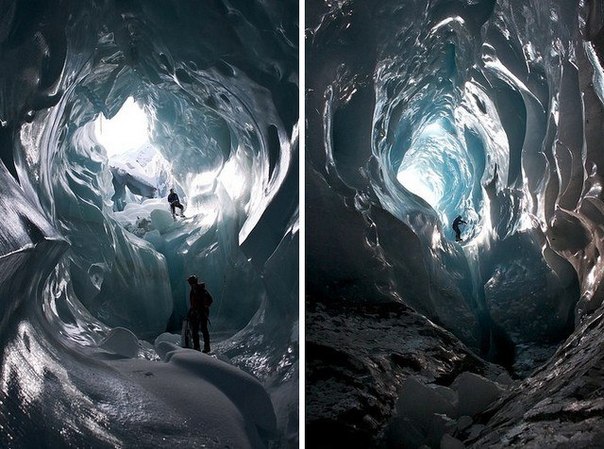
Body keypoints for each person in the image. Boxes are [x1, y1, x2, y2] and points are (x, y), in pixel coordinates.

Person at [186, 275, 212, 353]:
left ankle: (205, 347)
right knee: (196, 330)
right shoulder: (194, 290)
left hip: (202, 313)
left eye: (190, 282)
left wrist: (203, 308)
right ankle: (198, 347)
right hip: (196, 313)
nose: (189, 284)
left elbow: (209, 300)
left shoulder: (200, 290)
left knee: (202, 329)